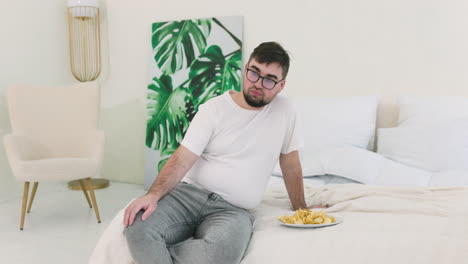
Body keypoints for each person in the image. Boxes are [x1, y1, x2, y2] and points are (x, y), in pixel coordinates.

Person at [123, 42, 308, 264]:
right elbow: (182, 158)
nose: (258, 84)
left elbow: (290, 163)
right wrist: (153, 195)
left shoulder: (285, 111)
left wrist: (302, 209)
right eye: (254, 73)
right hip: (187, 197)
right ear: (246, 67)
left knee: (219, 254)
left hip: (233, 211)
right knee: (137, 228)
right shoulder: (214, 109)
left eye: (269, 79)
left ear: (281, 85)